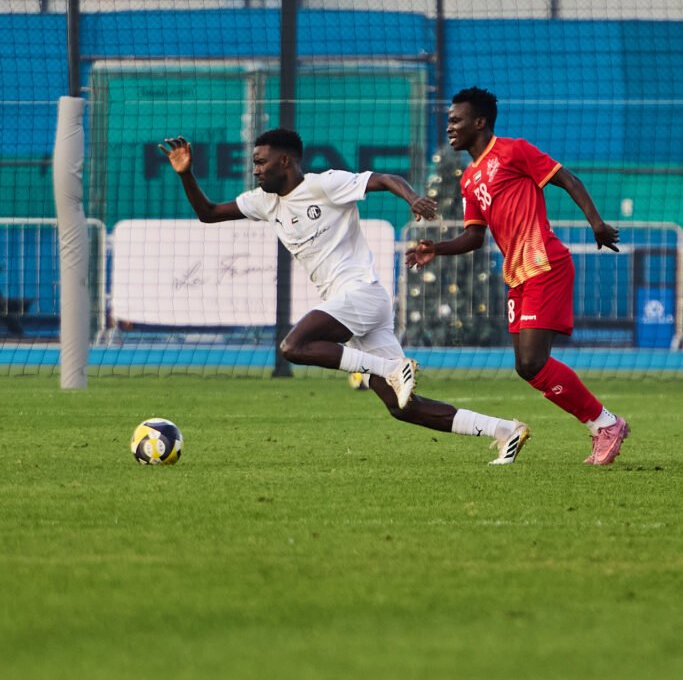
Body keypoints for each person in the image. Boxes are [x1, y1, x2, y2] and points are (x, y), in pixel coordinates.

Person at [159, 127, 531, 464]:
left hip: (361, 294)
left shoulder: (325, 184)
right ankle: (504, 430)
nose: (255, 170)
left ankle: (392, 369)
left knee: (293, 346)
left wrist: (413, 197)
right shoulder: (264, 202)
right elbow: (208, 213)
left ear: (284, 161)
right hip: (354, 308)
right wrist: (185, 173)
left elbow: (384, 179)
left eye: (260, 162)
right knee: (402, 407)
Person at [406, 87, 629, 466]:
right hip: (518, 275)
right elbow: (474, 236)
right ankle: (602, 424)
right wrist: (436, 249)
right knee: (526, 367)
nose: (449, 127)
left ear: (480, 122)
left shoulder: (513, 151)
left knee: (533, 362)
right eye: (448, 121)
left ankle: (606, 424)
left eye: (456, 120)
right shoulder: (469, 178)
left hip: (545, 263)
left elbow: (568, 178)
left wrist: (596, 222)